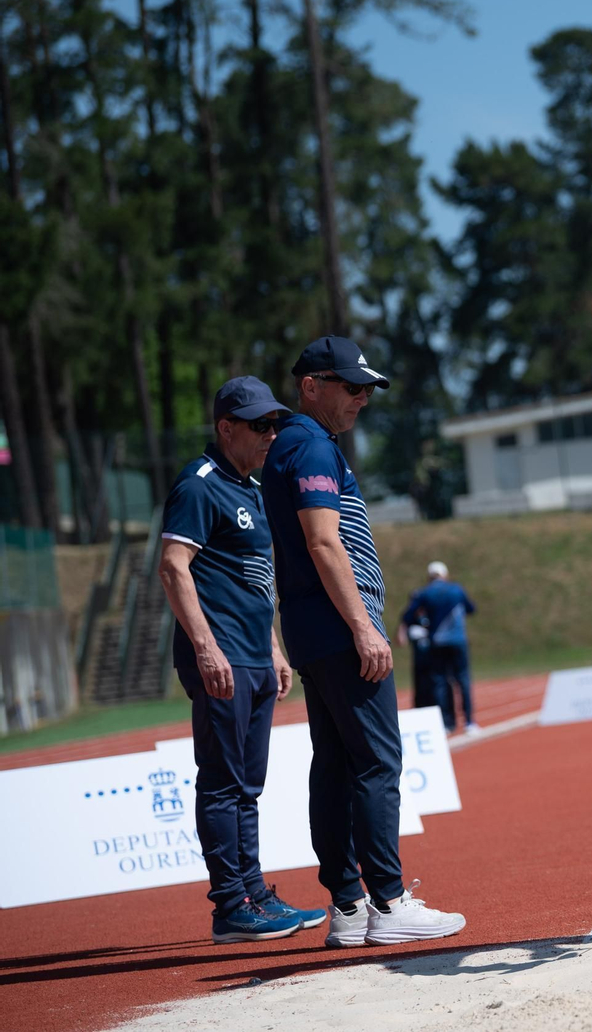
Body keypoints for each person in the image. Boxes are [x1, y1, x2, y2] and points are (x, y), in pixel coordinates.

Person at [260, 335, 466, 947]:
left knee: (336, 764)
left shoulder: (292, 446)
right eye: (350, 387)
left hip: (308, 627)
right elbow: (324, 544)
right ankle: (388, 899)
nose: (361, 400)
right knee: (377, 762)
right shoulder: (312, 446)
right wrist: (363, 626)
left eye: (366, 390)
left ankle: (348, 907)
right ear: (311, 386)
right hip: (336, 626)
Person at [157, 376, 323, 943]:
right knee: (224, 784)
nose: (270, 433)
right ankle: (231, 905)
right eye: (259, 425)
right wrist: (205, 647)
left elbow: (255, 581)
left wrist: (274, 647)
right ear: (226, 428)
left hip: (253, 655)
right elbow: (173, 567)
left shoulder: (250, 489)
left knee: (247, 785)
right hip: (221, 656)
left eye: (274, 422)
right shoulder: (199, 485)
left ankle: (254, 894)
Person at [399, 562, 477, 733]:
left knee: (440, 682)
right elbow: (471, 609)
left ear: (429, 576)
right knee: (462, 679)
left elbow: (408, 614)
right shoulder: (456, 590)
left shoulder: (425, 593)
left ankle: (445, 722)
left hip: (437, 642)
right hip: (457, 640)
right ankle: (470, 721)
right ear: (445, 574)